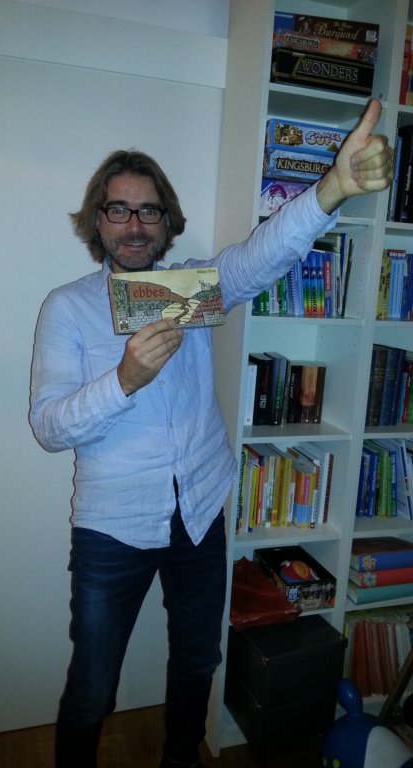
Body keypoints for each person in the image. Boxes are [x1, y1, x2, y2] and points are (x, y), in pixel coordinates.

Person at [29, 98, 393, 768]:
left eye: (149, 211)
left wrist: (333, 190)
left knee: (198, 659)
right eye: (119, 209)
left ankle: (181, 760)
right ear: (97, 219)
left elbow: (259, 258)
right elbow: (48, 428)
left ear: (167, 221)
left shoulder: (186, 288)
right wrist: (124, 380)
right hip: (113, 524)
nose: (134, 225)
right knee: (93, 685)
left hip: (199, 512)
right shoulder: (68, 307)